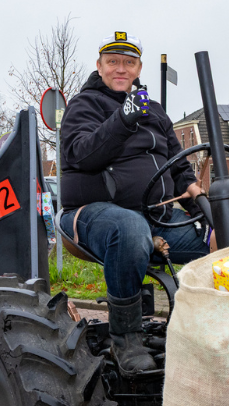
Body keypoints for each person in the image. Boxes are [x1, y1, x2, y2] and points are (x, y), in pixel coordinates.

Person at [60, 32, 209, 374]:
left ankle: (211, 327)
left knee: (219, 238)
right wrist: (123, 120)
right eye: (112, 62)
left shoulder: (155, 111)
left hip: (156, 216)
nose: (120, 69)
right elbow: (81, 155)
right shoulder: (84, 105)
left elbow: (180, 166)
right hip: (91, 215)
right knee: (130, 229)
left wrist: (202, 205)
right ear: (99, 67)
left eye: (128, 62)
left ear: (139, 67)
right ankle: (125, 337)